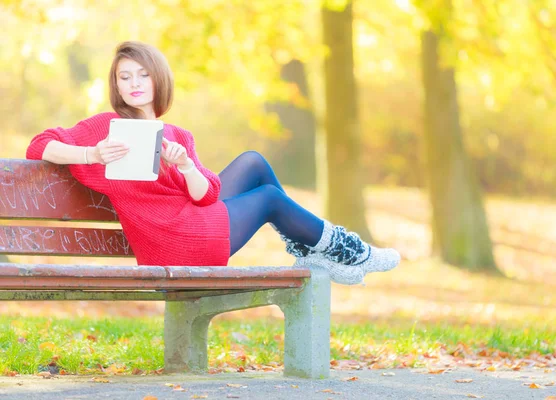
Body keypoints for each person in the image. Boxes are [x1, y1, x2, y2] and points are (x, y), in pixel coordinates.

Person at [25, 41, 400, 285]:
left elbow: (207, 197)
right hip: (171, 244)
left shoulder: (178, 134)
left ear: (159, 80)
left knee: (253, 162)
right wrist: (91, 154)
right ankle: (349, 251)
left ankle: (310, 247)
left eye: (143, 74)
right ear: (117, 85)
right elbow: (41, 145)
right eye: (125, 77)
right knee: (269, 198)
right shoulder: (106, 127)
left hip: (193, 221)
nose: (134, 83)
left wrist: (186, 166)